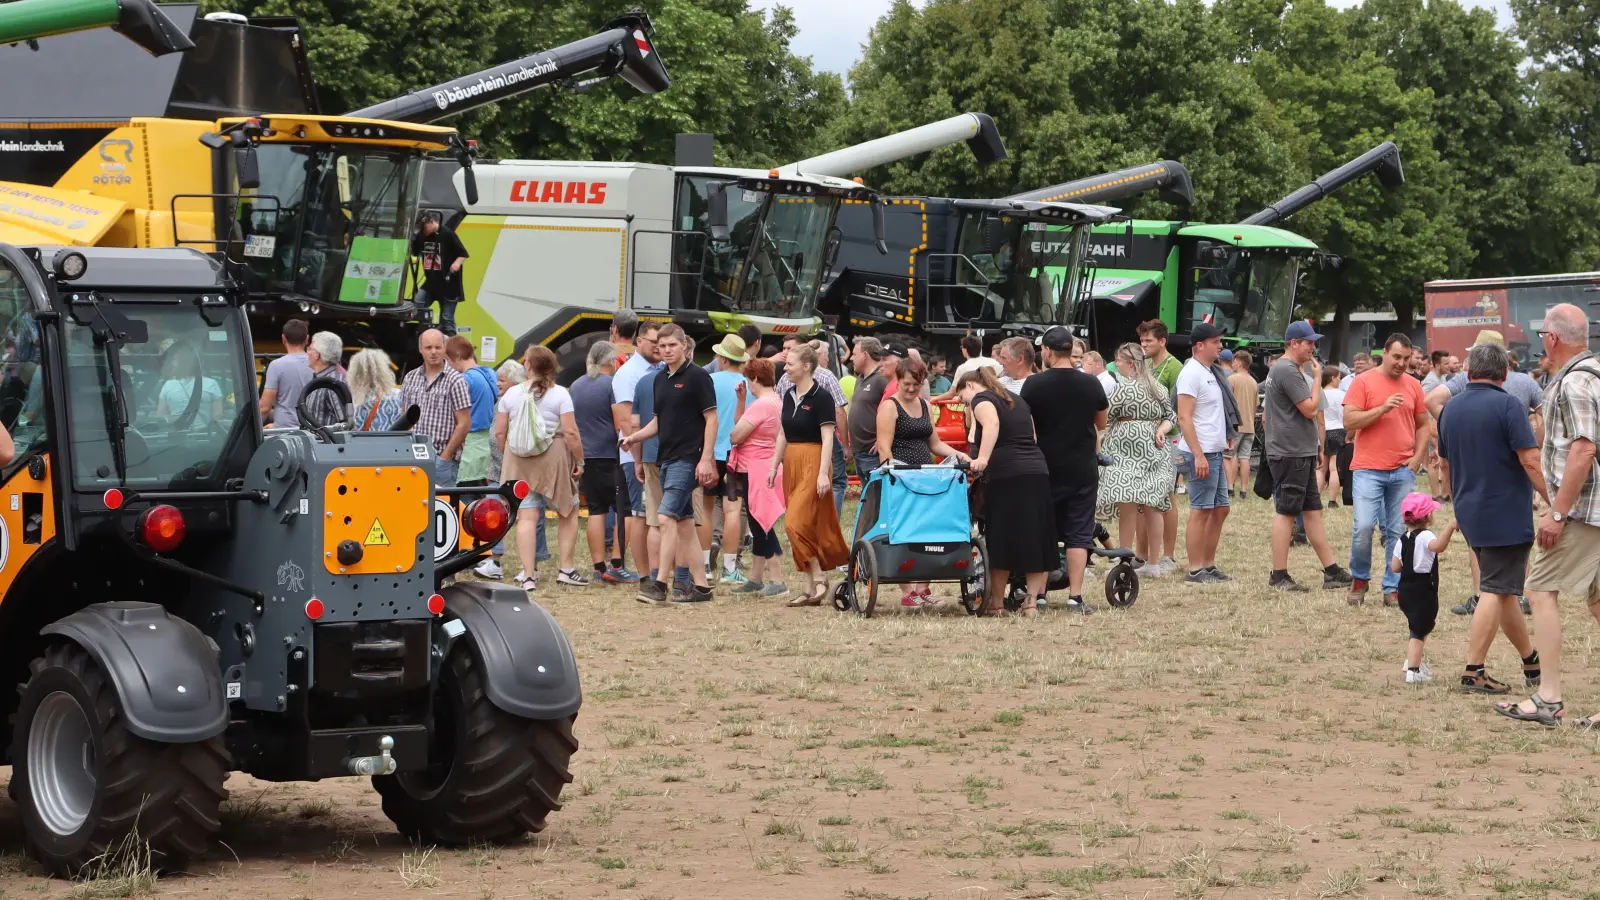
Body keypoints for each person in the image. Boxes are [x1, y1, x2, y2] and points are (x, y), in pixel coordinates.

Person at [1497, 304, 1600, 727]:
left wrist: (1557, 513)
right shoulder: (1592, 373)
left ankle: (1549, 697)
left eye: (1543, 335)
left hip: (1583, 512)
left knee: (1539, 591)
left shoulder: (1575, 382)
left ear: (1553, 339)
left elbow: (1583, 449)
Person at [1435, 340, 1545, 694]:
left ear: (1468, 372)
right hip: (1505, 513)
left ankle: (1531, 660)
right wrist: (1554, 501)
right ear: (1505, 372)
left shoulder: (1450, 409)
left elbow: (1446, 462)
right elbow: (1530, 459)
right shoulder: (1510, 406)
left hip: (1469, 509)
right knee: (1493, 590)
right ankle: (1473, 670)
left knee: (1504, 590)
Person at [622, 324, 718, 606]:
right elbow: (659, 422)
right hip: (666, 458)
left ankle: (660, 585)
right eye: (661, 346)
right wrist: (634, 438)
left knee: (665, 518)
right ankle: (701, 588)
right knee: (685, 523)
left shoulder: (699, 377)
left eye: (671, 345)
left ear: (684, 347)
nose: (666, 350)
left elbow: (711, 419)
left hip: (688, 459)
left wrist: (706, 458)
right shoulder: (659, 379)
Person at [1262, 321, 1355, 591]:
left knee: (1312, 511)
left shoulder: (1286, 369)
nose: (1313, 347)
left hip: (1296, 449)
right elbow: (1310, 409)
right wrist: (1316, 379)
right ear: (1294, 343)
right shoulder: (1287, 370)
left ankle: (1331, 570)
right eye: (1309, 342)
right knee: (1287, 512)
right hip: (1290, 451)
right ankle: (1278, 575)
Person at [958, 366, 1057, 616]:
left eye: (961, 398)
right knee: (1036, 536)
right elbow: (1032, 436)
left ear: (970, 385)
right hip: (1036, 469)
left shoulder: (981, 399)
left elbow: (991, 424)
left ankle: (997, 604)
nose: (963, 404)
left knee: (1001, 538)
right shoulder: (1017, 400)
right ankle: (1031, 601)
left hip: (1006, 473)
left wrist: (981, 458)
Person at [1024, 327, 1108, 613]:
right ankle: (1075, 596)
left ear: (1047, 351)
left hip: (1045, 464)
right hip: (1082, 465)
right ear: (1070, 349)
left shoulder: (1033, 385)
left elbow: (1028, 427)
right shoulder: (1091, 383)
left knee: (1045, 530)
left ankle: (1042, 594)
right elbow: (1101, 422)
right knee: (1079, 531)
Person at [875, 356, 969, 608]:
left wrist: (960, 455)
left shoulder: (925, 406)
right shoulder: (890, 406)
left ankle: (923, 588)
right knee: (904, 528)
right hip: (901, 477)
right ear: (898, 380)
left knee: (928, 527)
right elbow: (884, 447)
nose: (911, 389)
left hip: (925, 474)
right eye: (906, 384)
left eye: (916, 384)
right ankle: (907, 589)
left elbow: (935, 443)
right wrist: (895, 471)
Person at [1343, 334, 1429, 606]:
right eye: (1397, 357)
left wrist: (1417, 457)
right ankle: (1359, 577)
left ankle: (1392, 588)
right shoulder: (1363, 381)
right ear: (1385, 353)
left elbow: (1424, 425)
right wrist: (1382, 408)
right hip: (1368, 468)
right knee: (1364, 526)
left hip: (1403, 469)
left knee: (1397, 531)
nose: (1402, 363)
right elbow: (1349, 421)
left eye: (1406, 358)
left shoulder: (1414, 385)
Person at [494, 345, 585, 590]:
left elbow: (500, 431)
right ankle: (566, 568)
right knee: (568, 511)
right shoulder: (561, 395)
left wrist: (510, 454)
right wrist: (579, 460)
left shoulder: (511, 395)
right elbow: (570, 432)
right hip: (553, 456)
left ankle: (528, 575)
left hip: (518, 459)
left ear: (528, 366)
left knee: (527, 516)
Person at [767, 345, 847, 606]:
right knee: (803, 525)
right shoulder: (788, 394)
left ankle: (819, 576)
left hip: (814, 460)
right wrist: (773, 465)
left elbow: (827, 437)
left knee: (793, 523)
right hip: (792, 461)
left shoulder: (822, 397)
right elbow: (782, 434)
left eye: (790, 363)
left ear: (806, 366)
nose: (785, 367)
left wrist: (823, 473)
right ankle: (810, 586)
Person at [1098, 343, 1174, 579]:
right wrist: (1161, 428)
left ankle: (1124, 559)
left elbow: (1105, 416)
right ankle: (1153, 564)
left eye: (1119, 361)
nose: (1116, 364)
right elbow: (1170, 416)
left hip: (1125, 450)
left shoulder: (1123, 389)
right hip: (1155, 450)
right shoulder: (1157, 387)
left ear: (1130, 363)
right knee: (1154, 506)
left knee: (1127, 504)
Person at [1175, 323, 1233, 582]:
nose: (1220, 345)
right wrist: (1197, 454)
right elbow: (1185, 418)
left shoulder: (1209, 371)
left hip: (1215, 451)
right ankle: (1195, 569)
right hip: (1202, 453)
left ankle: (1208, 565)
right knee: (1201, 510)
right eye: (1215, 341)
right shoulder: (1191, 373)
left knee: (1220, 509)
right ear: (1200, 345)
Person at [571, 341, 632, 585]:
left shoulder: (575, 386)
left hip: (586, 456)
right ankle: (616, 563)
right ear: (611, 361)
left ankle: (598, 567)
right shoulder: (612, 385)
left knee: (596, 511)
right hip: (611, 454)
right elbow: (619, 424)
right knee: (624, 510)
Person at [727, 358, 789, 599]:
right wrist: (742, 402)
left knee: (761, 524)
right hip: (766, 465)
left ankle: (777, 577)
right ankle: (756, 577)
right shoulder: (776, 402)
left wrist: (745, 406)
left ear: (754, 378)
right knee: (758, 522)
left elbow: (735, 434)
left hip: (755, 467)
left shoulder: (762, 405)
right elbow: (741, 426)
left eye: (748, 378)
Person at [476, 358, 539, 580]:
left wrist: (508, 458)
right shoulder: (500, 402)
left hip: (512, 469)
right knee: (496, 513)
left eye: (501, 380)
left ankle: (532, 565)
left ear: (513, 383)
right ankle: (495, 560)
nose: (497, 384)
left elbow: (504, 436)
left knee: (528, 516)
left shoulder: (519, 403)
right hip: (497, 470)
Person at [1390, 494, 1457, 683]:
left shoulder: (1402, 538)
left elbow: (1395, 567)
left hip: (1405, 589)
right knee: (1418, 632)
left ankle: (1412, 660)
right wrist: (1450, 527)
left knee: (1419, 627)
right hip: (1423, 590)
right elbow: (1438, 547)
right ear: (1427, 517)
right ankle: (1413, 671)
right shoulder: (1426, 535)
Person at [614, 322, 662, 582]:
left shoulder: (659, 369)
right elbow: (625, 421)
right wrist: (637, 458)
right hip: (637, 455)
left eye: (663, 343)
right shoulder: (629, 374)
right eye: (654, 342)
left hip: (655, 453)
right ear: (639, 341)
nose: (658, 347)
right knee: (641, 515)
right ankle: (645, 575)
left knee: (653, 515)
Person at [1138, 320, 1183, 569]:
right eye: (1142, 341)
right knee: (1142, 497)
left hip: (1169, 438)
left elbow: (1177, 408)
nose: (1144, 345)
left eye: (1149, 341)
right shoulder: (1144, 365)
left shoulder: (1174, 367)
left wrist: (1163, 428)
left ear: (1162, 341)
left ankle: (1169, 555)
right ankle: (1142, 554)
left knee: (1166, 496)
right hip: (1145, 439)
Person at [399, 329, 471, 487]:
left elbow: (464, 423)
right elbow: (403, 418)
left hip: (440, 459)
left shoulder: (455, 380)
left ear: (445, 349)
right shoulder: (410, 378)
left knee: (440, 508)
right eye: (428, 347)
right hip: (412, 458)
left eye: (437, 347)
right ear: (420, 350)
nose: (433, 352)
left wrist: (445, 457)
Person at [707, 335, 751, 583]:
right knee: (735, 508)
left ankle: (704, 561)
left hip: (711, 452)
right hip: (738, 452)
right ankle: (730, 566)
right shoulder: (749, 384)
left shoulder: (709, 381)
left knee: (707, 504)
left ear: (723, 358)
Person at [445, 337, 500, 486]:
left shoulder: (464, 380)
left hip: (469, 450)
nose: (448, 365)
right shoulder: (489, 373)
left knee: (464, 502)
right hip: (486, 448)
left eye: (448, 360)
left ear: (456, 357)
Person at [411, 212, 468, 335]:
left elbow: (463, 253)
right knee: (417, 306)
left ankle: (453, 347)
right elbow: (415, 252)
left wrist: (456, 264)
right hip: (431, 283)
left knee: (447, 319)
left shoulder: (447, 234)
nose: (423, 231)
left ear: (431, 221)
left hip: (449, 284)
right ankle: (428, 335)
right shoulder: (422, 236)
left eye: (424, 228)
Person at [259, 319, 314, 428]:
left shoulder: (276, 366)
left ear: (283, 339)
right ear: (307, 339)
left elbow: (264, 408)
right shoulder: (318, 364)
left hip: (284, 431)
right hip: (312, 428)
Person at [847, 337, 890, 477]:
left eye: (854, 354)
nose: (851, 358)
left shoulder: (881, 379)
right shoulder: (860, 378)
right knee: (868, 497)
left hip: (872, 453)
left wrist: (882, 440)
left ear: (865, 356)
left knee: (875, 496)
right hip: (860, 451)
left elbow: (895, 410)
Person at [1225, 349, 1259, 499]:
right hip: (1250, 425)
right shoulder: (1253, 382)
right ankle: (1244, 490)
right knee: (1245, 457)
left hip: (1235, 425)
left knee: (1230, 455)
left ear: (1239, 362)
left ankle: (1230, 487)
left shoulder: (1232, 379)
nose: (1232, 364)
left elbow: (1226, 402)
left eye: (1233, 361)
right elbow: (1256, 404)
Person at [349, 348, 403, 433]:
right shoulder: (400, 395)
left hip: (368, 445)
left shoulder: (354, 401)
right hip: (397, 445)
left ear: (356, 373)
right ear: (385, 369)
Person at [935, 335, 1003, 401]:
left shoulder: (963, 368)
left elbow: (952, 393)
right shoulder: (994, 363)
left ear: (965, 349)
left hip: (974, 403)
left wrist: (933, 399)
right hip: (995, 401)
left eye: (962, 347)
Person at [1320, 369, 1346, 508]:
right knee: (1334, 468)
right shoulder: (1342, 395)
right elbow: (1345, 415)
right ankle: (1332, 500)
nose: (1340, 380)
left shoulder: (1318, 393)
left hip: (1322, 431)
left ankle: (1315, 498)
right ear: (1333, 378)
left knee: (1321, 468)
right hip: (1337, 430)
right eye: (1339, 378)